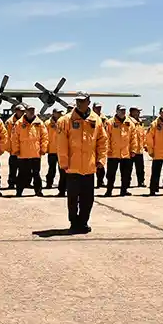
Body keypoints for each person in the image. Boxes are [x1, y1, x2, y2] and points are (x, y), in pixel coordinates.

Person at [58, 92, 107, 233]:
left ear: (89, 102)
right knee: (73, 198)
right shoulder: (65, 120)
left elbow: (102, 141)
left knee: (88, 198)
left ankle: (84, 221)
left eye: (83, 101)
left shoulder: (96, 120)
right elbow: (61, 144)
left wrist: (101, 160)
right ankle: (74, 223)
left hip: (89, 166)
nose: (80, 104)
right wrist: (64, 163)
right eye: (78, 101)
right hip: (72, 167)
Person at [12, 104, 48, 197]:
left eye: (33, 109)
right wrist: (16, 149)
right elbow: (14, 137)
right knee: (22, 174)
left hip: (35, 154)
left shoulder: (39, 123)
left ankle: (38, 191)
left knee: (36, 174)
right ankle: (19, 192)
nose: (31, 111)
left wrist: (43, 149)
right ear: (25, 111)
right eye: (29, 110)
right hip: (23, 154)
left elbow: (44, 137)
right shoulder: (19, 123)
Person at [104, 104, 137, 197]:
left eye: (124, 110)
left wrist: (133, 150)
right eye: (121, 110)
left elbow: (133, 138)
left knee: (126, 174)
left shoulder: (130, 123)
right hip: (113, 153)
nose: (123, 112)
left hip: (126, 153)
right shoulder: (110, 122)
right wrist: (108, 149)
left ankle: (124, 190)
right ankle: (109, 190)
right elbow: (106, 137)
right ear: (116, 111)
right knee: (111, 174)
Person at [45, 108, 65, 195]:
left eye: (61, 113)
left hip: (61, 151)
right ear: (53, 113)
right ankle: (49, 184)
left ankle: (62, 188)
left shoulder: (63, 122)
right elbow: (45, 136)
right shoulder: (47, 123)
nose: (60, 114)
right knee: (51, 169)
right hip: (52, 151)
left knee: (63, 171)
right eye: (58, 113)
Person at [5, 104, 24, 190]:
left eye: (23, 111)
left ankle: (23, 183)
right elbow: (7, 136)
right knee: (13, 169)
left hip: (24, 150)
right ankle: (11, 183)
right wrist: (9, 149)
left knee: (23, 169)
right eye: (21, 111)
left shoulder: (25, 120)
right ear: (16, 111)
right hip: (13, 150)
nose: (22, 113)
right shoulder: (10, 122)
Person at [128, 107, 146, 188]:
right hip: (130, 149)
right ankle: (127, 182)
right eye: (137, 111)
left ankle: (141, 181)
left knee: (140, 168)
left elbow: (143, 135)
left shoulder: (140, 122)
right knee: (128, 168)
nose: (139, 113)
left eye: (139, 111)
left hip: (139, 149)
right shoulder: (128, 121)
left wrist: (144, 145)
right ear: (132, 112)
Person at [92, 102, 108, 188]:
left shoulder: (103, 119)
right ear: (93, 108)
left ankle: (100, 181)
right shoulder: (90, 117)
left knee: (101, 164)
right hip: (91, 143)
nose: (98, 109)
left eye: (99, 108)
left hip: (100, 143)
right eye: (97, 108)